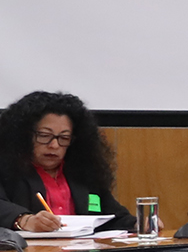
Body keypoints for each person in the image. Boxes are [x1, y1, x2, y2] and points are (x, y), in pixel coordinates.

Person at [0, 91, 131, 232]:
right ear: (23, 135)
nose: (54, 145)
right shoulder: (6, 169)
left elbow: (114, 217)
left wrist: (139, 224)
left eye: (64, 138)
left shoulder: (83, 174)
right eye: (44, 135)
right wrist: (24, 220)